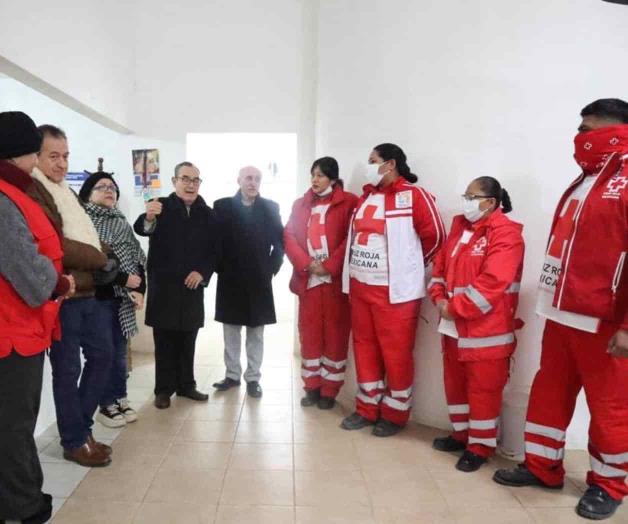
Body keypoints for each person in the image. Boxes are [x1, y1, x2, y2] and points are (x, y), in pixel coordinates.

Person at [493, 99, 628, 521]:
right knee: (550, 393)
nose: (580, 135)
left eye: (587, 128)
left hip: (604, 322)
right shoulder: (585, 179)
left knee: (610, 407)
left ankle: (609, 485)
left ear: (615, 129)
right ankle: (541, 466)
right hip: (562, 313)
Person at [340, 143, 446, 437]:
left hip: (394, 293)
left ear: (390, 164)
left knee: (396, 353)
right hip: (361, 287)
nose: (368, 165)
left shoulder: (414, 195)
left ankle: (395, 414)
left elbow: (436, 238)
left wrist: (410, 269)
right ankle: (367, 407)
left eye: (373, 160)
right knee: (364, 346)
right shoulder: (367, 197)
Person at [27, 124, 117, 468]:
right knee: (66, 370)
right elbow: (54, 243)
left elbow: (87, 236)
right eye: (54, 156)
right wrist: (99, 258)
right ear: (36, 156)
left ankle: (80, 429)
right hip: (64, 296)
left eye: (65, 156)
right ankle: (75, 440)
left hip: (88, 291)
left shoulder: (64, 189)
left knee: (103, 357)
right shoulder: (35, 190)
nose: (62, 163)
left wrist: (105, 253)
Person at [0, 111, 75, 524]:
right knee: (14, 426)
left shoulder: (15, 192)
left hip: (21, 328)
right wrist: (60, 281)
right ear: (23, 153)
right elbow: (29, 272)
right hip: (12, 333)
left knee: (13, 423)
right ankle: (22, 506)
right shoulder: (3, 198)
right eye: (42, 153)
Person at [428, 177, 524, 472]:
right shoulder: (460, 230)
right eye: (465, 195)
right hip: (453, 328)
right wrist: (439, 300)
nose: (466, 201)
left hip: (486, 333)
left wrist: (454, 308)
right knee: (455, 385)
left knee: (483, 391)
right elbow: (439, 270)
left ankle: (480, 447)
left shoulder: (506, 235)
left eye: (472, 196)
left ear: (491, 203)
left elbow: (493, 283)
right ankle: (462, 435)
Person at [134, 161, 218, 409]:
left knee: (188, 337)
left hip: (192, 287)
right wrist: (149, 216)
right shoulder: (160, 206)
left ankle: (186, 385)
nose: (191, 185)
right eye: (185, 179)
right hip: (165, 286)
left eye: (195, 180)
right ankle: (163, 389)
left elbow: (215, 250)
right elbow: (143, 228)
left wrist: (202, 272)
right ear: (174, 181)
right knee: (165, 339)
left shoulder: (208, 213)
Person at [284, 157, 358, 409]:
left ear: (333, 179)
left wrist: (329, 265)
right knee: (310, 334)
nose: (315, 180)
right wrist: (306, 263)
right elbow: (290, 235)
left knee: (336, 334)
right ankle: (312, 387)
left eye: (321, 175)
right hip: (309, 280)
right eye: (312, 174)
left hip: (335, 282)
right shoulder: (300, 204)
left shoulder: (349, 202)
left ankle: (330, 390)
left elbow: (351, 237)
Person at [80, 167, 146, 427]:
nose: (109, 191)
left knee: (119, 352)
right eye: (102, 187)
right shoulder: (84, 220)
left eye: (113, 188)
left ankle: (119, 397)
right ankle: (105, 404)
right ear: (88, 193)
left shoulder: (120, 219)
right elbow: (96, 260)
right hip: (99, 297)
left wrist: (139, 289)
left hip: (123, 298)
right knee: (104, 353)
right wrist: (124, 280)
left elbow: (137, 254)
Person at [212, 166, 284, 398]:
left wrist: (270, 270)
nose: (253, 183)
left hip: (258, 280)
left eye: (257, 179)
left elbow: (280, 244)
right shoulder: (222, 206)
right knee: (231, 331)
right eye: (249, 178)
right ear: (239, 180)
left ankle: (253, 378)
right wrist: (219, 267)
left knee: (256, 333)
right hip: (230, 279)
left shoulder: (270, 207)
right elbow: (215, 242)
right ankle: (232, 375)